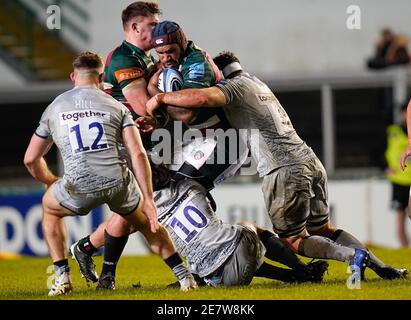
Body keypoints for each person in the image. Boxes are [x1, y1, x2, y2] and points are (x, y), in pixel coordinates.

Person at [147, 51, 409, 281]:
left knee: (292, 239)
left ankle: (352, 256)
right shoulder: (257, 83)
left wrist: (161, 98)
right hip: (309, 159)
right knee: (324, 229)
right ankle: (382, 266)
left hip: (281, 168)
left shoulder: (233, 87)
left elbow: (201, 100)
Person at [23, 51, 197, 296]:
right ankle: (185, 278)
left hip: (78, 185)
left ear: (73, 76)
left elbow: (31, 159)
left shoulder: (55, 108)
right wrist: (148, 200)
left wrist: (50, 181)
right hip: (117, 183)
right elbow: (137, 154)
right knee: (149, 226)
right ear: (102, 77)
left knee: (49, 210)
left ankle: (62, 278)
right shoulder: (116, 106)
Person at [71, 161, 329, 287]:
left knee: (217, 256)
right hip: (234, 253)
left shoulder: (144, 209)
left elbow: (125, 227)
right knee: (246, 228)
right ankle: (300, 270)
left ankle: (289, 276)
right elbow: (212, 207)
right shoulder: (188, 184)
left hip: (215, 276)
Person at [103, 1, 161, 118]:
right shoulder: (123, 58)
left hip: (139, 130)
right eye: (153, 25)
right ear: (136, 28)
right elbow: (144, 109)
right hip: (124, 132)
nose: (159, 30)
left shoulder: (147, 58)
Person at [385, 102, 411, 247]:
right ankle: (405, 247)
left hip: (410, 177)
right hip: (399, 179)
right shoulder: (392, 131)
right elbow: (380, 150)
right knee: (403, 215)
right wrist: (384, 166)